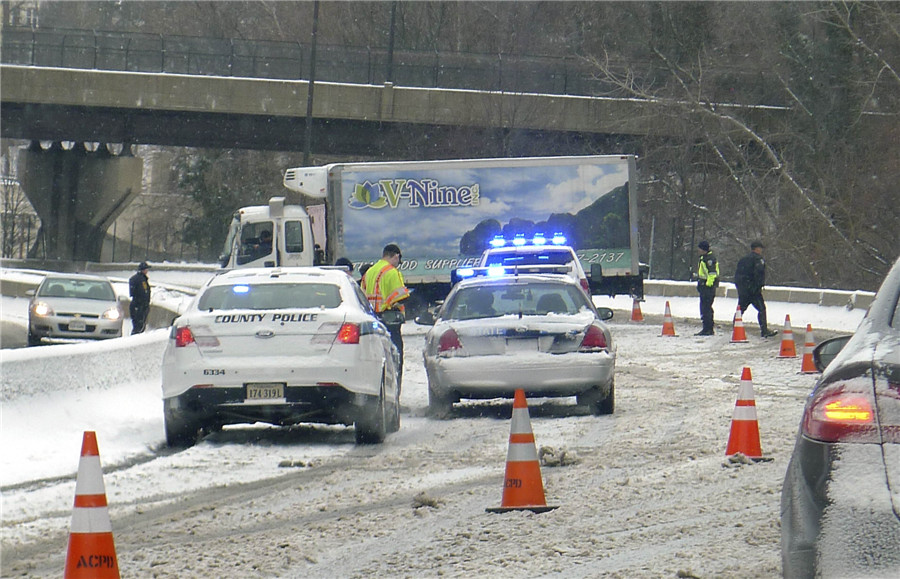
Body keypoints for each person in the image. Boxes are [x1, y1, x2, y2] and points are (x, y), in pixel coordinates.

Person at [363, 244, 410, 386]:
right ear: (396, 256)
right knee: (395, 360)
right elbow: (400, 298)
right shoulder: (391, 272)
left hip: (372, 321)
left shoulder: (370, 272)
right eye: (398, 260)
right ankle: (395, 396)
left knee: (377, 361)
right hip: (390, 322)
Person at [735, 240, 778, 338]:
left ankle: (735, 328)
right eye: (760, 248)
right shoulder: (758, 259)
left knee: (740, 309)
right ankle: (764, 330)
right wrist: (757, 287)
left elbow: (738, 275)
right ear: (757, 249)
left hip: (744, 289)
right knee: (761, 309)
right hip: (753, 290)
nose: (761, 250)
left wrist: (742, 288)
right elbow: (759, 274)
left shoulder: (743, 259)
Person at [694, 240, 720, 336]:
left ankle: (708, 328)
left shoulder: (708, 259)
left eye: (699, 248)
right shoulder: (704, 258)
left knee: (706, 308)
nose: (698, 250)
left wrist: (708, 284)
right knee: (705, 307)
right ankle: (707, 328)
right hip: (704, 285)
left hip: (707, 286)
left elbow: (712, 273)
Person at [129, 261, 152, 334]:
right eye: (146, 269)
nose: (147, 271)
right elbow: (144, 292)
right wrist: (145, 304)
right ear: (143, 270)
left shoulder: (134, 278)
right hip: (140, 306)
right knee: (139, 327)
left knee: (136, 325)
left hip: (135, 304)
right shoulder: (142, 280)